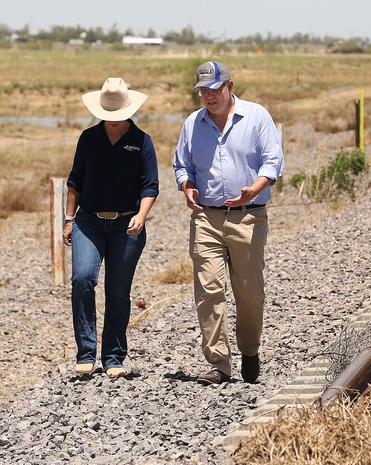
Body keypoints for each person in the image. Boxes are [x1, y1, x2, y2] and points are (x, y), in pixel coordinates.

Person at [173, 61, 284, 385]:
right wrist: (186, 186)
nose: (209, 96)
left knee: (249, 292)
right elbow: (182, 164)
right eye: (203, 91)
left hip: (248, 217)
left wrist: (257, 186)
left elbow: (273, 160)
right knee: (209, 291)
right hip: (206, 217)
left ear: (229, 87)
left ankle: (249, 350)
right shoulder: (192, 124)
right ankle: (219, 364)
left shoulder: (256, 117)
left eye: (215, 89)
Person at [63, 77, 159, 378]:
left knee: (118, 291)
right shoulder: (88, 138)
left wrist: (141, 216)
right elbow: (75, 181)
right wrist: (68, 220)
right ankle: (86, 353)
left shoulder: (142, 141)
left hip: (127, 225)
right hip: (88, 221)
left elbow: (150, 186)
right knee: (82, 279)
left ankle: (114, 357)